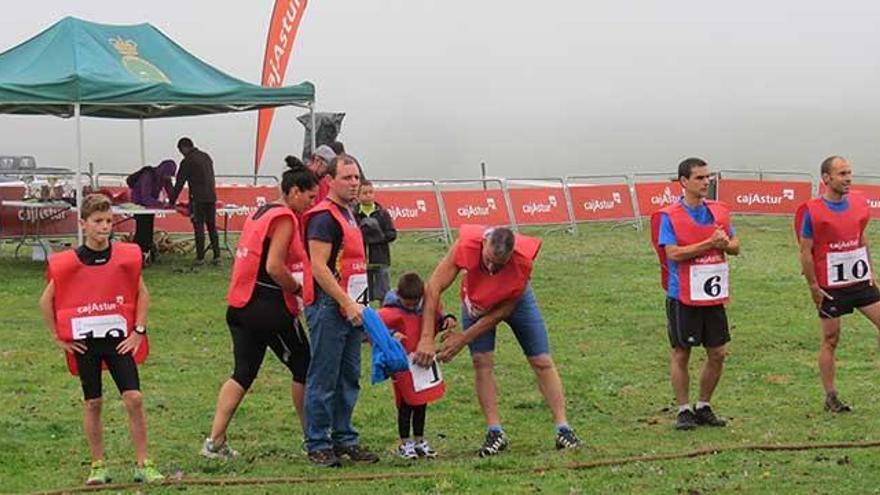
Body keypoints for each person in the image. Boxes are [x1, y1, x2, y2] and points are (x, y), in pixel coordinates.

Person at [413, 224, 581, 456]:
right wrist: (426, 338)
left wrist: (462, 339)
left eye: (499, 264)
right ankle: (495, 432)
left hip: (515, 303)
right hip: (476, 302)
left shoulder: (522, 261)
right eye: (488, 260)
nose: (492, 267)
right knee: (481, 362)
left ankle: (564, 429)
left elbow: (502, 312)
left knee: (541, 360)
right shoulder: (465, 246)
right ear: (483, 244)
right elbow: (433, 287)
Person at [38, 194, 164, 485]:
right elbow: (46, 301)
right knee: (93, 402)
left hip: (118, 340)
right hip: (86, 344)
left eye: (108, 221)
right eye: (97, 222)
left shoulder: (124, 256)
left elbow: (142, 292)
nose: (104, 227)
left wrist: (138, 330)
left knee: (134, 398)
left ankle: (144, 463)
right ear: (84, 224)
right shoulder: (70, 262)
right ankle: (98, 465)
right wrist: (58, 337)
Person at [201, 157, 319, 459]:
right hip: (267, 307)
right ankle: (312, 437)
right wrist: (297, 289)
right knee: (303, 363)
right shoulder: (284, 218)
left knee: (243, 371)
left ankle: (215, 441)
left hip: (239, 305)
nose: (310, 203)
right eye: (309, 197)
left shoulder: (261, 210)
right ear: (294, 191)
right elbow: (274, 266)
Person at [649, 157, 740, 431]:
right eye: (700, 178)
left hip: (712, 294)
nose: (706, 182)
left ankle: (704, 405)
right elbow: (673, 253)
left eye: (708, 177)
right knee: (682, 351)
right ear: (684, 182)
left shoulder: (719, 212)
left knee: (718, 352)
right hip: (682, 294)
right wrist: (708, 244)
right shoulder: (670, 216)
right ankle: (683, 409)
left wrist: (726, 244)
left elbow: (735, 246)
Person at [302, 153, 379, 467]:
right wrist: (345, 302)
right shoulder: (323, 217)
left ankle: (344, 437)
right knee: (324, 377)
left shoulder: (349, 213)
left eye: (357, 177)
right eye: (347, 178)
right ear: (329, 181)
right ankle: (318, 443)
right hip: (328, 306)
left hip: (353, 306)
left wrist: (361, 305)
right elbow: (319, 267)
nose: (354, 183)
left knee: (349, 376)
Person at [795, 155, 880, 412]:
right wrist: (813, 287)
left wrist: (871, 270)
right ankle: (831, 396)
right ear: (826, 178)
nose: (848, 178)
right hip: (830, 286)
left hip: (860, 280)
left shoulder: (858, 202)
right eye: (842, 174)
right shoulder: (811, 211)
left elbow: (861, 237)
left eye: (849, 173)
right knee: (831, 339)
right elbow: (805, 251)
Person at [378, 272, 455, 459]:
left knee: (422, 403)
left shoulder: (425, 307)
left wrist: (447, 320)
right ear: (399, 297)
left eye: (415, 303)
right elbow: (375, 329)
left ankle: (420, 440)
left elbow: (437, 319)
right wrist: (392, 334)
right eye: (408, 304)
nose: (412, 307)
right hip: (403, 366)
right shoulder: (390, 310)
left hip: (422, 363)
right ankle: (405, 442)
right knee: (405, 405)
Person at [169, 137, 220, 266]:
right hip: (211, 196)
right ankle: (217, 255)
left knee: (199, 227)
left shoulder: (187, 161)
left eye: (180, 151)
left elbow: (179, 183)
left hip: (198, 198)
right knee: (212, 226)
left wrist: (171, 201)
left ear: (184, 148)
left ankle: (200, 258)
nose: (181, 153)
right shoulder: (206, 157)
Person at [355, 180, 397, 303]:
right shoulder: (354, 213)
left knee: (384, 294)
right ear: (357, 196)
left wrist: (379, 237)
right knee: (362, 295)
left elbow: (392, 234)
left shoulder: (383, 214)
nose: (368, 195)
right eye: (364, 193)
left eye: (371, 192)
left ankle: (384, 318)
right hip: (361, 263)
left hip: (380, 260)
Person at [126, 159, 177, 260]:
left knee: (149, 228)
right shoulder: (148, 175)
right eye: (167, 175)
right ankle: (138, 253)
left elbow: (171, 193)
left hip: (150, 205)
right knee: (142, 228)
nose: (167, 178)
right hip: (139, 204)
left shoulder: (164, 177)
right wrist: (161, 204)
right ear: (163, 171)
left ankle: (147, 252)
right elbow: (145, 197)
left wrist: (173, 202)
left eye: (170, 176)